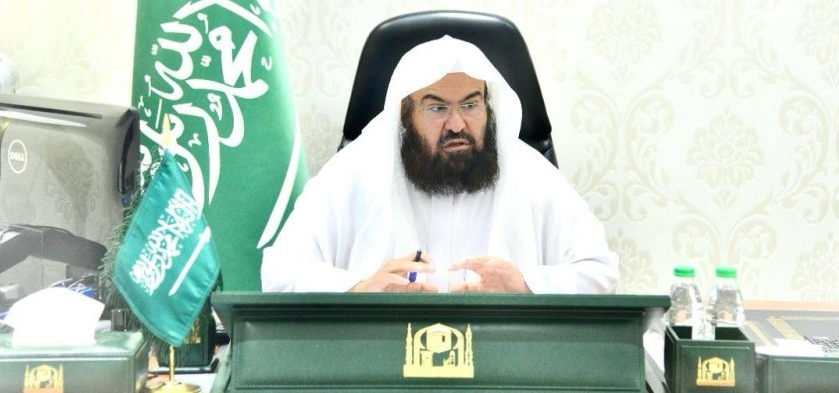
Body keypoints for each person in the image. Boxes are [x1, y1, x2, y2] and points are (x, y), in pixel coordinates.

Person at [261, 35, 618, 294]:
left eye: (471, 105)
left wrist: (525, 285)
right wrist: (361, 290)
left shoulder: (531, 175)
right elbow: (279, 273)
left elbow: (600, 272)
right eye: (437, 108)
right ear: (405, 114)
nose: (457, 124)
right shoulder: (354, 172)